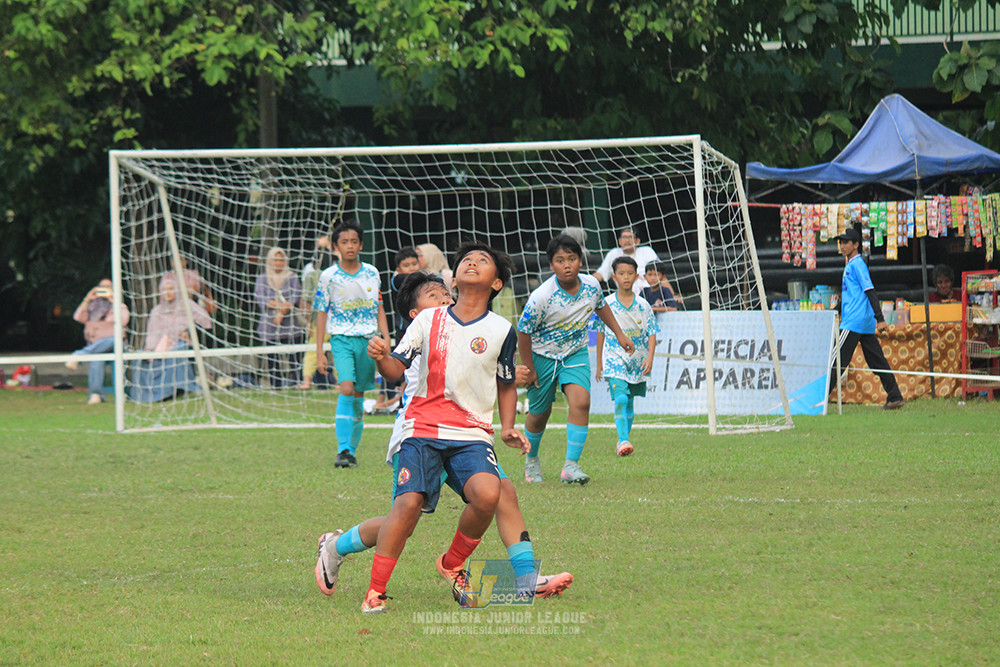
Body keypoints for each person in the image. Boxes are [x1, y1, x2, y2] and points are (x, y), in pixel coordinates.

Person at [313, 271, 572, 607]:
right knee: (403, 520)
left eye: (444, 295)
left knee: (501, 491)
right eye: (433, 296)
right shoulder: (423, 331)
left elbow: (471, 377)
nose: (445, 301)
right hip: (420, 432)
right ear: (416, 314)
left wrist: (505, 375)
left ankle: (523, 577)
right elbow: (416, 374)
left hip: (463, 434)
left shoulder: (464, 327)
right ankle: (336, 546)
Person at [359, 243, 530, 614]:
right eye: (466, 259)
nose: (472, 262)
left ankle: (452, 563)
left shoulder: (502, 330)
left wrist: (507, 428)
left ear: (496, 283)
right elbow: (396, 371)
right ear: (455, 275)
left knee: (490, 494)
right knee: (407, 506)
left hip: (471, 433)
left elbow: (506, 383)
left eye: (482, 261)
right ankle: (375, 590)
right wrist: (382, 356)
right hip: (422, 428)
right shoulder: (427, 320)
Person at [518, 234, 635, 485]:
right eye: (560, 260)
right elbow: (523, 332)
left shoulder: (592, 285)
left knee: (581, 403)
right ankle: (532, 459)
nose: (567, 264)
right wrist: (529, 367)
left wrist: (620, 333)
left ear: (580, 261)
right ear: (551, 265)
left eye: (572, 258)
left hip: (575, 352)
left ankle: (571, 466)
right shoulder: (541, 297)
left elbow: (601, 306)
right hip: (543, 355)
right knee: (540, 413)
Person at [314, 220, 391, 468]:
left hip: (368, 340)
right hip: (341, 339)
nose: (349, 246)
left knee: (358, 393)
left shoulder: (371, 272)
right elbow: (321, 313)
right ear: (336, 246)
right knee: (346, 388)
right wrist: (319, 351)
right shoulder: (328, 277)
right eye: (344, 242)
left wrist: (386, 337)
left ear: (361, 244)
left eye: (354, 241)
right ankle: (342, 449)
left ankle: (351, 452)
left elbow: (379, 306)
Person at [830, 227, 904, 410]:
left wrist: (880, 318)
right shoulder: (850, 265)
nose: (843, 245)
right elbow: (853, 295)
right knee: (876, 360)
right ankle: (895, 396)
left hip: (853, 322)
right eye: (841, 242)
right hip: (862, 322)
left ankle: (818, 399)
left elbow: (870, 291)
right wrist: (836, 309)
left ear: (856, 245)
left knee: (835, 360)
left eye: (846, 242)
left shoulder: (857, 264)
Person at [595, 257, 659, 456]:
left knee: (630, 400)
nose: (626, 277)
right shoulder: (607, 304)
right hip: (614, 358)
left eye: (630, 273)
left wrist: (650, 358)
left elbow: (652, 332)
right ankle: (623, 440)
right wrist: (599, 363)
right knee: (621, 397)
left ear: (637, 277)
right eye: (621, 274)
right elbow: (600, 332)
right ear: (614, 277)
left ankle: (624, 440)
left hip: (637, 360)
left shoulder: (643, 305)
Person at [129, 276, 213, 403]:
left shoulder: (186, 304)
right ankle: (144, 394)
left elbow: (205, 321)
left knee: (178, 349)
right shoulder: (156, 311)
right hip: (160, 346)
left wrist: (191, 330)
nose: (167, 292)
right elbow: (152, 334)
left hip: (181, 343)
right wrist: (149, 349)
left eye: (171, 289)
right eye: (164, 289)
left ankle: (172, 391)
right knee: (139, 356)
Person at [372, 246, 421, 413]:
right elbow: (405, 279)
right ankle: (384, 400)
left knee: (417, 368)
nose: (412, 268)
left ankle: (406, 401)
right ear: (399, 269)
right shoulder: (397, 281)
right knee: (398, 365)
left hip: (422, 332)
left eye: (414, 264)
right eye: (407, 265)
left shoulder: (425, 284)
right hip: (404, 332)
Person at [66, 279, 130, 405]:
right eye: (102, 287)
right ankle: (96, 394)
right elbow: (78, 317)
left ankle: (79, 355)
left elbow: (123, 320)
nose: (104, 289)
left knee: (113, 340)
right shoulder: (92, 306)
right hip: (97, 347)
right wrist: (87, 299)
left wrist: (112, 299)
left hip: (117, 345)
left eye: (108, 287)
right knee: (97, 357)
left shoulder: (119, 305)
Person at [254, 247, 304, 389]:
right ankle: (276, 386)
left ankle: (297, 382)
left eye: (281, 260)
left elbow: (296, 296)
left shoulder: (292, 276)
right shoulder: (263, 278)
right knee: (272, 357)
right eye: (275, 260)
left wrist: (283, 311)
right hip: (270, 324)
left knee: (294, 356)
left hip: (290, 324)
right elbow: (260, 297)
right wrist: (277, 307)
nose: (278, 263)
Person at [299, 242, 338, 389]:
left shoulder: (315, 275)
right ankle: (340, 382)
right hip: (329, 320)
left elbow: (307, 301)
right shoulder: (332, 274)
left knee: (315, 350)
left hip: (327, 320)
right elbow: (308, 300)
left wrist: (308, 322)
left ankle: (307, 381)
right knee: (335, 351)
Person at [592, 225, 660, 293]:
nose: (627, 240)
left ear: (637, 241)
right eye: (624, 237)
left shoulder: (647, 251)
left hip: (651, 294)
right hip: (624, 296)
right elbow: (600, 274)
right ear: (619, 241)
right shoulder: (614, 253)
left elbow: (661, 276)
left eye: (630, 237)